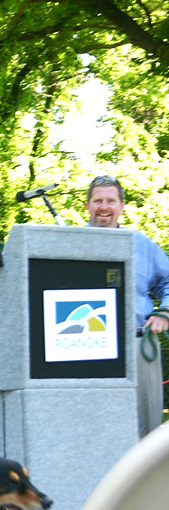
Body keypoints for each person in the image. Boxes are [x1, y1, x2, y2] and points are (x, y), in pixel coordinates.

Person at [86, 174, 169, 437]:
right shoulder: (69, 241)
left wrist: (164, 312)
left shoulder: (141, 244)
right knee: (93, 426)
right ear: (87, 205)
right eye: (97, 200)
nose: (104, 206)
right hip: (85, 347)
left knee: (146, 429)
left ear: (122, 207)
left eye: (111, 200)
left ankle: (147, 481)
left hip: (137, 345)